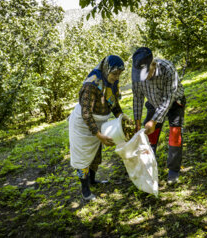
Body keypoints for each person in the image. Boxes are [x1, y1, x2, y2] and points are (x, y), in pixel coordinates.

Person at [69, 55, 125, 201]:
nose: (116, 77)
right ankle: (85, 190)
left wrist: (122, 117)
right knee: (83, 156)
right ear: (106, 70)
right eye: (114, 73)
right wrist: (98, 134)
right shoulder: (91, 85)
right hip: (83, 124)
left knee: (95, 155)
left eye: (119, 74)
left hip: (99, 122)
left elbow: (113, 103)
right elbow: (86, 113)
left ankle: (92, 181)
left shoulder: (111, 82)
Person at [131, 47, 186, 185]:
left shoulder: (167, 69)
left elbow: (168, 98)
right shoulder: (136, 71)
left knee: (175, 134)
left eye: (147, 73)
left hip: (173, 102)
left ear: (153, 64)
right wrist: (137, 121)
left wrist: (154, 120)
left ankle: (173, 171)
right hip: (153, 102)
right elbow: (137, 97)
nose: (144, 78)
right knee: (150, 135)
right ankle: (149, 167)